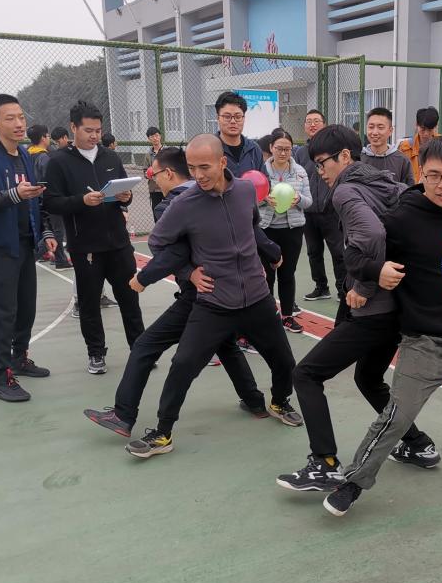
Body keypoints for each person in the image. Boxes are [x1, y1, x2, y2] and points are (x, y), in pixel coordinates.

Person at [319, 137, 442, 517]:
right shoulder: (402, 218)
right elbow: (353, 255)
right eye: (434, 175)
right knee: (395, 420)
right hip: (425, 344)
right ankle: (353, 482)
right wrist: (376, 270)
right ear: (421, 173)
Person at [275, 125, 439, 493]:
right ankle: (417, 443)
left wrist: (365, 284)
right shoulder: (387, 184)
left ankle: (324, 462)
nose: (320, 171)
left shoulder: (346, 190)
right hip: (399, 307)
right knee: (368, 378)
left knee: (306, 375)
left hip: (373, 308)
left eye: (323, 163)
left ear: (345, 157)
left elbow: (371, 235)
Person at [126, 134, 302, 459]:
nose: (198, 175)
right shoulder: (183, 205)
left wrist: (267, 253)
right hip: (214, 304)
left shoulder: (246, 191)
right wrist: (189, 272)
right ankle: (163, 433)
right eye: (192, 168)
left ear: (222, 162)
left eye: (204, 167)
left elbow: (251, 226)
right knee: (182, 364)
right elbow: (158, 243)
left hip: (258, 298)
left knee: (284, 361)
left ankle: (279, 401)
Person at [83, 146, 269, 438]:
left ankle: (123, 414)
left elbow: (176, 252)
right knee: (226, 345)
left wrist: (146, 277)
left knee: (146, 346)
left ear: (168, 173)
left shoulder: (172, 205)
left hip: (199, 295)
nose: (154, 180)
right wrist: (272, 251)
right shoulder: (217, 193)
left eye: (154, 174)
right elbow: (250, 229)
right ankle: (255, 401)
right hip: (225, 290)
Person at [43, 100, 144, 375]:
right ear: (73, 128)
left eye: (98, 130)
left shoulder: (111, 157)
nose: (94, 136)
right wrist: (82, 201)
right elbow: (51, 202)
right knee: (90, 304)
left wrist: (126, 196)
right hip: (85, 246)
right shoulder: (58, 162)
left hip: (118, 243)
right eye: (88, 130)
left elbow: (125, 192)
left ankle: (140, 350)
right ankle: (96, 353)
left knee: (130, 298)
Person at [0, 94, 56, 402]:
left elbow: (35, 198)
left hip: (25, 243)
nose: (19, 123)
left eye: (21, 117)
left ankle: (19, 358)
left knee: (25, 308)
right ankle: (0, 376)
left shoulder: (26, 155)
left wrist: (45, 231)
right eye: (10, 118)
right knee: (3, 312)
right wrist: (14, 194)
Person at [260, 129, 312, 332]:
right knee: (267, 275)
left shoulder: (300, 171)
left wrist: (298, 199)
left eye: (287, 149)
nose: (283, 153)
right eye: (279, 148)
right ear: (271, 148)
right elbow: (250, 200)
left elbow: (309, 201)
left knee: (287, 273)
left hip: (292, 230)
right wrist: (264, 199)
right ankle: (268, 316)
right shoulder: (261, 172)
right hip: (266, 230)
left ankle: (287, 316)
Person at [295, 109, 344, 303]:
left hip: (331, 211)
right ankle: (321, 287)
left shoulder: (334, 150)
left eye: (316, 121)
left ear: (324, 124)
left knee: (338, 252)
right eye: (309, 121)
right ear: (305, 126)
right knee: (313, 252)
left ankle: (342, 289)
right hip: (308, 212)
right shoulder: (300, 153)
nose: (312, 124)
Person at [27, 124, 70, 271]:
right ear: (43, 138)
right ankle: (54, 259)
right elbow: (50, 179)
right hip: (46, 198)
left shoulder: (27, 154)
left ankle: (59, 258)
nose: (49, 139)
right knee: (56, 230)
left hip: (33, 198)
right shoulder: (44, 157)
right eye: (47, 136)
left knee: (47, 229)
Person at [214, 91, 265, 177]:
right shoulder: (209, 148)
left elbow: (264, 179)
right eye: (227, 117)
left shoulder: (254, 149)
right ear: (217, 118)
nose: (233, 121)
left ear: (244, 118)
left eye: (238, 117)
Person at [360, 107, 414, 184]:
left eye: (380, 128)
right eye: (371, 127)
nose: (375, 132)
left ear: (390, 131)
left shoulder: (402, 160)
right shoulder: (358, 158)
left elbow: (409, 189)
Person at [398, 106, 439, 183]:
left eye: (430, 129)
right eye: (423, 129)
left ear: (436, 126)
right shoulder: (405, 147)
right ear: (416, 125)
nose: (426, 133)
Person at [146, 126, 164, 209]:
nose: (155, 138)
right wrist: (148, 174)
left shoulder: (167, 151)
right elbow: (145, 171)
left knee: (169, 211)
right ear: (149, 139)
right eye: (152, 136)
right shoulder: (148, 154)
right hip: (154, 188)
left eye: (156, 135)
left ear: (160, 136)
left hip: (166, 187)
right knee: (156, 210)